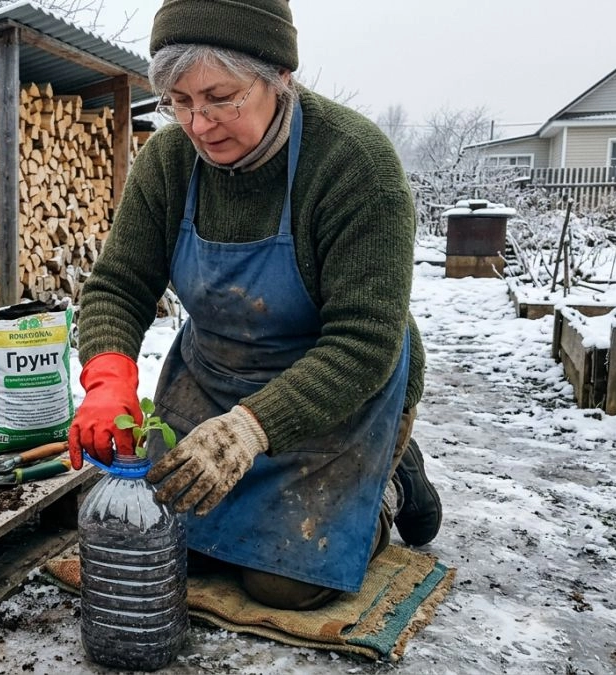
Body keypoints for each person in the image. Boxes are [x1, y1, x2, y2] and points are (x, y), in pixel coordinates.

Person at [67, 0, 442, 611]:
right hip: (213, 375)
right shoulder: (168, 162)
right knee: (166, 538)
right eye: (180, 101)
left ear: (280, 76)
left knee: (281, 582)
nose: (199, 123)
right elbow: (120, 283)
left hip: (334, 388)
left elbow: (363, 341)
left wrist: (250, 427)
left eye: (221, 97)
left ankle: (389, 483)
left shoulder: (355, 164)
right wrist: (107, 377)